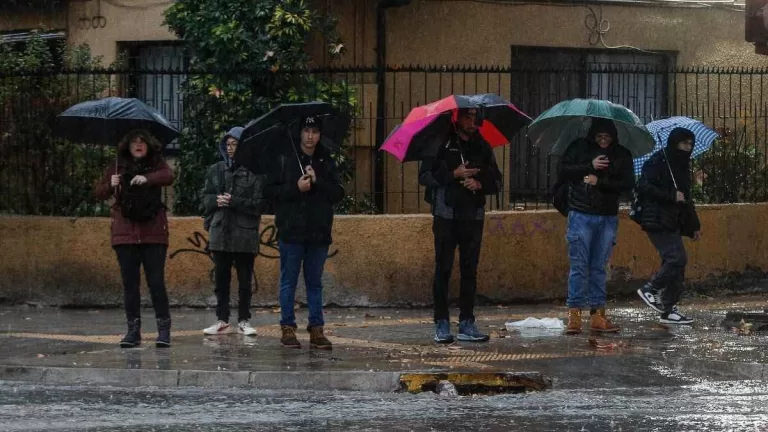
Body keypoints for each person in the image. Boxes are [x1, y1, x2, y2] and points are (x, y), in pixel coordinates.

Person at [418, 108, 502, 344]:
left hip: (473, 215)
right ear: (458, 118)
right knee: (443, 268)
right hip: (446, 214)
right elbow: (425, 175)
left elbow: (497, 179)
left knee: (470, 270)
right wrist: (453, 173)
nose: (472, 121)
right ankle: (441, 321)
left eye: (475, 118)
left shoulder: (482, 145)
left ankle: (467, 321)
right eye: (467, 117)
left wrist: (479, 183)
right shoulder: (440, 142)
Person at [263, 116, 344, 349]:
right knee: (288, 281)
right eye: (307, 131)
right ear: (300, 133)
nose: (311, 136)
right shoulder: (284, 158)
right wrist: (295, 188)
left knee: (315, 283)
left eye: (315, 131)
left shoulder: (325, 159)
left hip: (318, 231)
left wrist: (318, 182)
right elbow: (269, 191)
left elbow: (337, 192)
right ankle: (287, 328)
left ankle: (317, 329)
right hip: (291, 230)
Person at [95, 129, 174, 348]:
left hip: (153, 232)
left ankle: (163, 330)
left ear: (148, 144)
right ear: (127, 146)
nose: (138, 145)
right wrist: (111, 183)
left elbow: (168, 176)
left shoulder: (157, 162)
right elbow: (99, 192)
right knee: (130, 284)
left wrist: (147, 178)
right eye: (133, 142)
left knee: (156, 282)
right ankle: (133, 331)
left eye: (142, 141)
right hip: (125, 233)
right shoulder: (118, 165)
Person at [559, 118, 634, 335]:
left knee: (599, 267)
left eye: (607, 138)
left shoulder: (621, 154)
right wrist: (589, 166)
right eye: (599, 137)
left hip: (607, 216)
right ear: (593, 136)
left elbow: (628, 184)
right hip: (581, 213)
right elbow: (563, 171)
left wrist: (600, 181)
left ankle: (598, 315)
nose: (603, 141)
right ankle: (574, 316)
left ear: (613, 138)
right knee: (579, 266)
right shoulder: (578, 148)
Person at [201, 127, 266, 336]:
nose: (230, 149)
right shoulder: (215, 170)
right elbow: (204, 198)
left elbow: (259, 204)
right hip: (220, 232)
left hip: (245, 234)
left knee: (245, 280)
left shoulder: (254, 172)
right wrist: (215, 201)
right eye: (227, 144)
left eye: (234, 144)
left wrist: (234, 201)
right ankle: (222, 319)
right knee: (221, 280)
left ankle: (244, 320)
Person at [635, 127, 700, 324]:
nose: (687, 147)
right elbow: (642, 186)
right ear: (674, 143)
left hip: (672, 220)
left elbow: (685, 200)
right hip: (656, 218)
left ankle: (668, 309)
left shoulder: (680, 166)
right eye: (683, 143)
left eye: (690, 144)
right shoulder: (658, 161)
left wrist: (693, 226)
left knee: (676, 267)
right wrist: (670, 195)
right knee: (676, 258)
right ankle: (650, 289)